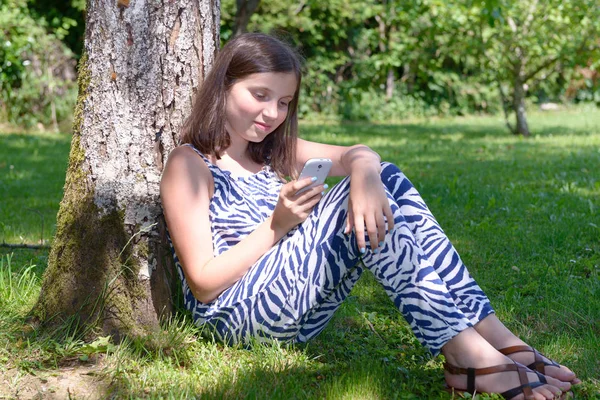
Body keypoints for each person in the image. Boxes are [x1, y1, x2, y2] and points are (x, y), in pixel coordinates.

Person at [160, 33, 579, 399]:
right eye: (260, 94)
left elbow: (359, 154)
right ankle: (465, 356)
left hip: (297, 309)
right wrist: (277, 225)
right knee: (353, 199)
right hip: (236, 316)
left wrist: (363, 172)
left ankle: (497, 339)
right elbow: (202, 283)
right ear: (224, 87)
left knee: (383, 179)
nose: (272, 113)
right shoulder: (190, 164)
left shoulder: (272, 152)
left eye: (284, 102)